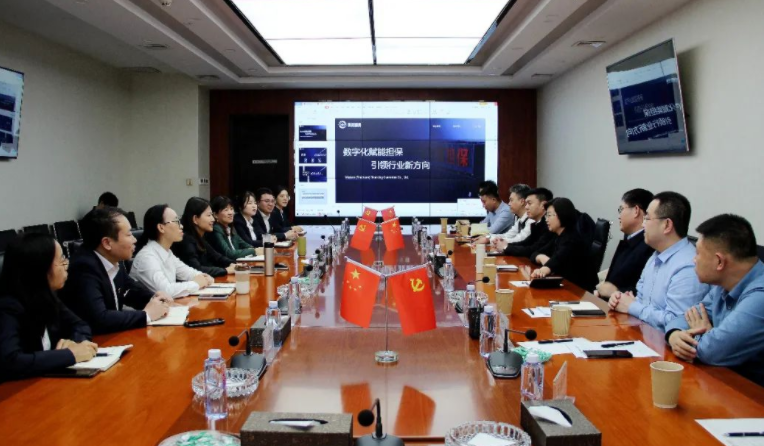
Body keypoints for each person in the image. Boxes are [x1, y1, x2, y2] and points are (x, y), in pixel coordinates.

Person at [666, 214, 764, 386]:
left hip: (750, 393)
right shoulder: (722, 284)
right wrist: (674, 335)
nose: (694, 260)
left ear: (719, 261)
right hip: (722, 381)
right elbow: (684, 318)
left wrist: (705, 336)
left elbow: (713, 351)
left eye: (698, 253)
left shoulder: (760, 296)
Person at [0, 234, 97, 380]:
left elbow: (80, 325)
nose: (66, 265)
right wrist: (70, 355)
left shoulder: (47, 296)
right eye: (61, 259)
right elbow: (11, 361)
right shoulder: (8, 306)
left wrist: (75, 343)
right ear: (40, 269)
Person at [608, 192, 709, 331]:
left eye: (647, 218)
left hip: (663, 343)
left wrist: (632, 306)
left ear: (667, 225)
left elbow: (676, 323)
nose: (643, 224)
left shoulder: (688, 267)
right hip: (640, 334)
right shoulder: (655, 256)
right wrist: (620, 300)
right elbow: (641, 301)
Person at [62, 208, 171, 334]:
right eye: (129, 234)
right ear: (107, 243)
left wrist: (155, 298)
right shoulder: (83, 268)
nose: (134, 240)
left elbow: (129, 289)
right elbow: (100, 318)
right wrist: (146, 315)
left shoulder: (112, 258)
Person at [130, 204, 214, 298]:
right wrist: (196, 283)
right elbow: (166, 291)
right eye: (176, 221)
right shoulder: (147, 257)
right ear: (161, 227)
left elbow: (188, 273)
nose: (181, 226)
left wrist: (204, 277)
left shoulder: (167, 252)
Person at [595, 189, 655, 299]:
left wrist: (615, 292)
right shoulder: (631, 239)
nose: (619, 216)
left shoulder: (648, 246)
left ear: (636, 211)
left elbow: (644, 291)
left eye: (621, 209)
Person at [530, 198, 599, 291]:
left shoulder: (572, 239)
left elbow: (557, 259)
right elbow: (534, 254)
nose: (546, 219)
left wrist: (543, 270)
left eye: (549, 215)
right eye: (546, 215)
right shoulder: (558, 236)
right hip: (566, 285)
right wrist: (541, 257)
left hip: (580, 291)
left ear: (562, 215)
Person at [172, 197, 237, 278]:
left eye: (212, 215)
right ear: (195, 219)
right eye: (209, 215)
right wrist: (225, 270)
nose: (213, 219)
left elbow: (217, 257)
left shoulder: (200, 237)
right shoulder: (186, 240)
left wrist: (236, 264)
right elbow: (197, 269)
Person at [497, 188, 555, 258]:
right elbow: (525, 243)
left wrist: (506, 247)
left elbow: (533, 249)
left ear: (543, 205)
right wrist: (506, 245)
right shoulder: (536, 224)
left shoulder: (549, 226)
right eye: (526, 203)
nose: (526, 207)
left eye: (529, 203)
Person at [208, 195, 261, 260]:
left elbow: (245, 245)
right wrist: (254, 251)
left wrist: (256, 249)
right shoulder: (216, 229)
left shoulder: (230, 228)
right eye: (226, 210)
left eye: (231, 209)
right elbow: (229, 254)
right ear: (215, 215)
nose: (230, 213)